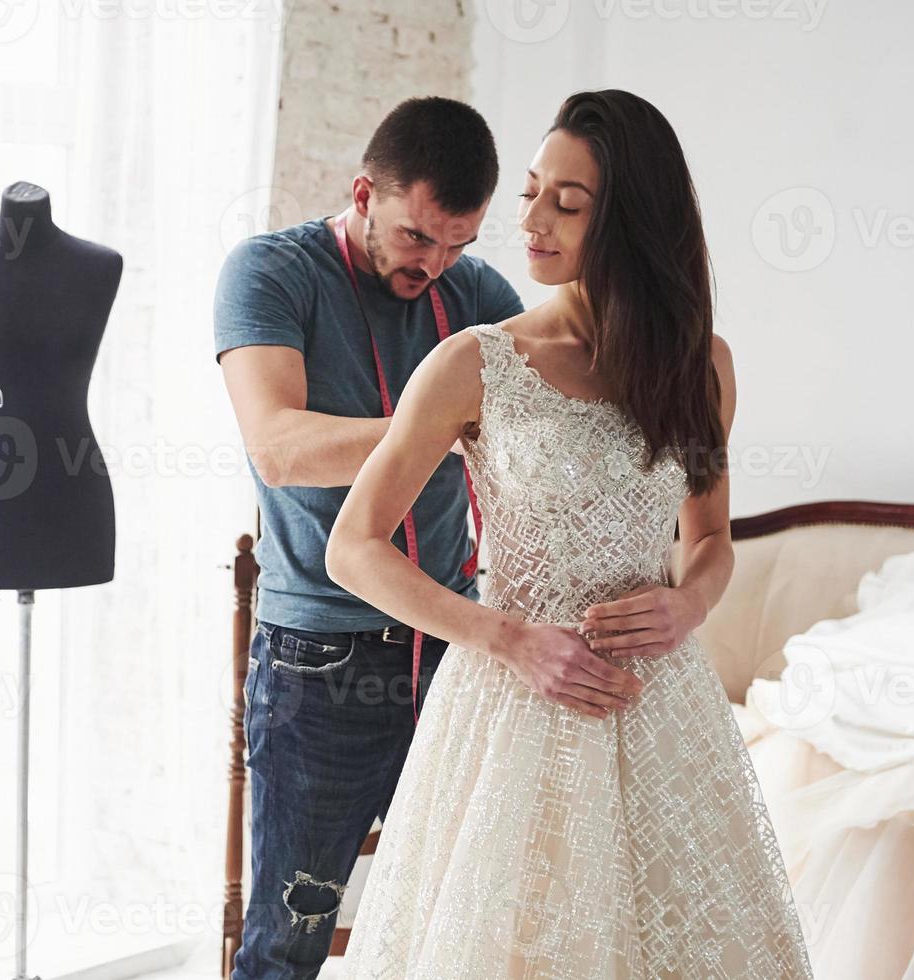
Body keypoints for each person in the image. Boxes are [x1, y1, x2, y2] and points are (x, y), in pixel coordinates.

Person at [326, 89, 815, 978]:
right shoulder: (477, 363)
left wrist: (688, 604)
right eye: (531, 191)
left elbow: (708, 538)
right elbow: (351, 545)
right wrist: (506, 637)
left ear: (628, 220)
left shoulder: (700, 366)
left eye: (568, 202)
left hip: (656, 709)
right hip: (514, 705)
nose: (534, 220)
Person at [213, 96, 528, 978]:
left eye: (458, 242)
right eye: (417, 237)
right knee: (288, 943)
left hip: (453, 651)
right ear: (363, 193)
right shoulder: (271, 272)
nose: (435, 264)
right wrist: (439, 425)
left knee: (454, 923)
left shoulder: (476, 296)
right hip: (320, 664)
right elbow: (278, 449)